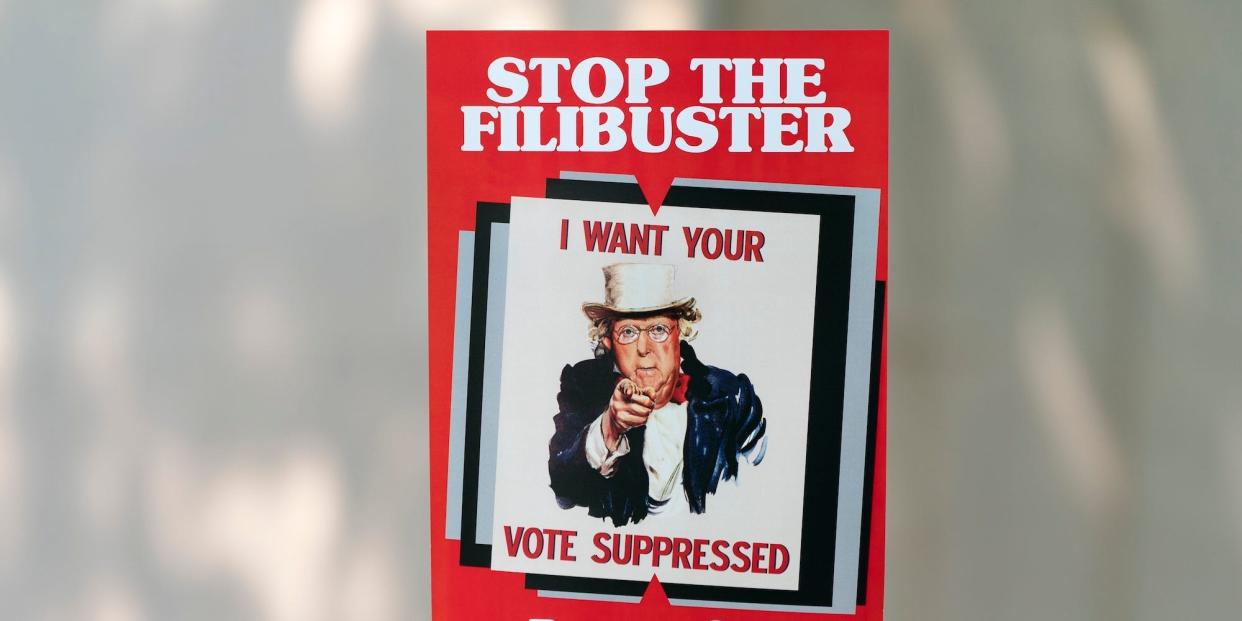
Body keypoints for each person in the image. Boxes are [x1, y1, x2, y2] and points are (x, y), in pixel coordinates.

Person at [548, 263, 767, 526]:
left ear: (680, 332)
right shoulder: (582, 387)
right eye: (628, 332)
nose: (644, 348)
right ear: (608, 342)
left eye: (659, 330)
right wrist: (610, 428)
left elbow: (760, 491)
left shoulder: (732, 396)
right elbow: (563, 491)